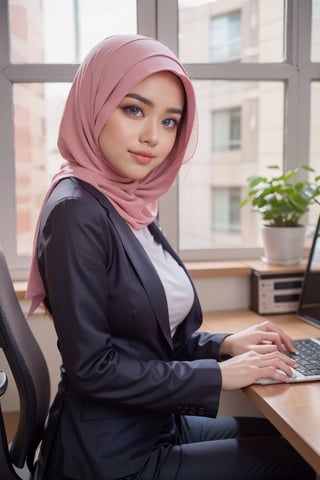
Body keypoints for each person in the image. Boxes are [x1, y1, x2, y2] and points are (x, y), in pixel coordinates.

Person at [26, 34, 315, 480]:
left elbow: (146, 338)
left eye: (170, 122)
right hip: (113, 457)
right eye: (134, 110)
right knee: (297, 461)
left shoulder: (125, 200)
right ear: (95, 103)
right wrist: (220, 376)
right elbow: (94, 370)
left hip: (153, 425)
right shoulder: (76, 211)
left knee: (284, 438)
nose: (152, 138)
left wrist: (224, 345)